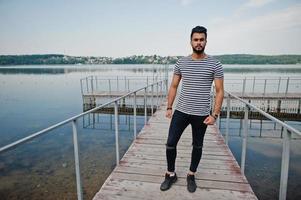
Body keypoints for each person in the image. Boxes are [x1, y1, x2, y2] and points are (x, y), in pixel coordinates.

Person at [160, 26, 224, 193]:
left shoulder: (215, 64)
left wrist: (215, 115)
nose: (198, 42)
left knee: (197, 146)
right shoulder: (181, 62)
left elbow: (219, 91)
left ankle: (191, 174)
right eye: (195, 39)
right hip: (181, 111)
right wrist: (169, 107)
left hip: (201, 114)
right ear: (190, 41)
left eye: (201, 39)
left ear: (206, 41)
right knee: (170, 143)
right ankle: (170, 174)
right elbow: (174, 86)